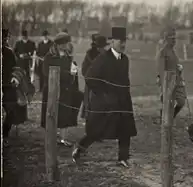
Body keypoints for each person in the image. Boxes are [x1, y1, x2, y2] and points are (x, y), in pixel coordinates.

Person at [72, 27, 137, 168]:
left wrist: (125, 94)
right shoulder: (103, 58)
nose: (123, 44)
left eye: (125, 41)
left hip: (122, 100)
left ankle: (123, 158)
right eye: (121, 41)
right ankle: (79, 149)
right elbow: (89, 77)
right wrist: (103, 94)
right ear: (112, 42)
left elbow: (125, 80)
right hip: (105, 103)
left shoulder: (125, 59)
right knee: (96, 130)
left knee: (125, 129)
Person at [40, 32, 82, 147]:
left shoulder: (68, 57)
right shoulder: (50, 56)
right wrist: (68, 74)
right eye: (64, 43)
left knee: (64, 114)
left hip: (66, 90)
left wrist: (73, 72)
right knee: (51, 113)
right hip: (52, 89)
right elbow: (46, 72)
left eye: (67, 43)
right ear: (58, 45)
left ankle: (63, 138)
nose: (66, 46)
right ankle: (51, 137)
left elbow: (71, 75)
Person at [2, 29, 34, 146]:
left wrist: (15, 77)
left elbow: (15, 67)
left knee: (11, 110)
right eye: (4, 38)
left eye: (6, 38)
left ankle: (4, 135)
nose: (5, 40)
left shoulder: (9, 53)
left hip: (7, 85)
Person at [156, 27, 186, 119]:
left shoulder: (173, 52)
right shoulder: (163, 53)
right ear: (167, 39)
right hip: (168, 83)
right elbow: (161, 70)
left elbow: (175, 66)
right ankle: (165, 118)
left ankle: (171, 117)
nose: (174, 41)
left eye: (175, 39)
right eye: (172, 39)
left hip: (177, 81)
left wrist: (179, 69)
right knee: (168, 104)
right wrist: (162, 86)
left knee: (181, 102)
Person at [80, 34, 109, 120]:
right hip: (96, 87)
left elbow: (83, 69)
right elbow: (84, 69)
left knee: (93, 109)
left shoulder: (91, 54)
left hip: (93, 85)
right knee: (93, 108)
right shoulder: (103, 56)